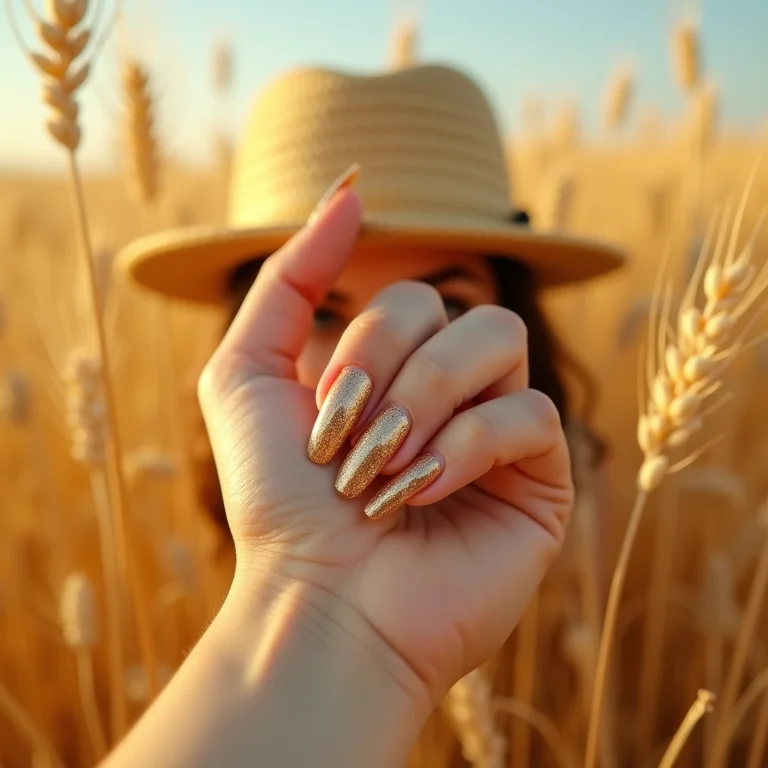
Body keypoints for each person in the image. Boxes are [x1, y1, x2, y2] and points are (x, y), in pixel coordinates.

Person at [110, 62, 624, 767]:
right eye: (322, 311)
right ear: (249, 341)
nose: (388, 371)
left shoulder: (610, 602)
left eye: (449, 306)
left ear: (517, 320)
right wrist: (319, 597)